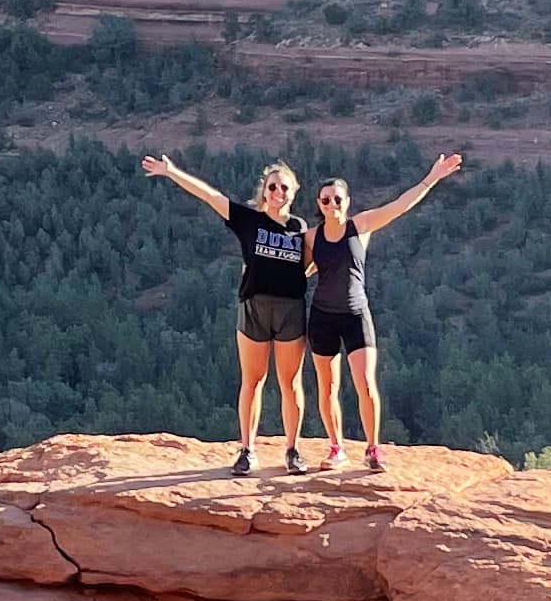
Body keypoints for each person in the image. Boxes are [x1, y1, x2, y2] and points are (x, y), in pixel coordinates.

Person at [141, 150, 315, 470]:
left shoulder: (299, 226)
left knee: (290, 383)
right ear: (264, 191)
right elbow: (210, 196)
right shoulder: (249, 220)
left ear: (294, 191)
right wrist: (171, 172)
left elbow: (312, 261)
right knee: (253, 380)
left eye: (285, 188)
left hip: (291, 309)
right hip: (254, 306)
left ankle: (292, 450)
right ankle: (247, 450)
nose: (279, 193)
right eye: (273, 187)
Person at [304, 151, 461, 469]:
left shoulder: (360, 226)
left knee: (365, 382)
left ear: (347, 201)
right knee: (328, 386)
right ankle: (336, 448)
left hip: (355, 315)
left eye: (337, 199)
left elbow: (398, 207)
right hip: (322, 317)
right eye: (325, 200)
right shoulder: (311, 237)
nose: (332, 204)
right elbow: (300, 271)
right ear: (318, 204)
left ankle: (373, 449)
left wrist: (431, 180)